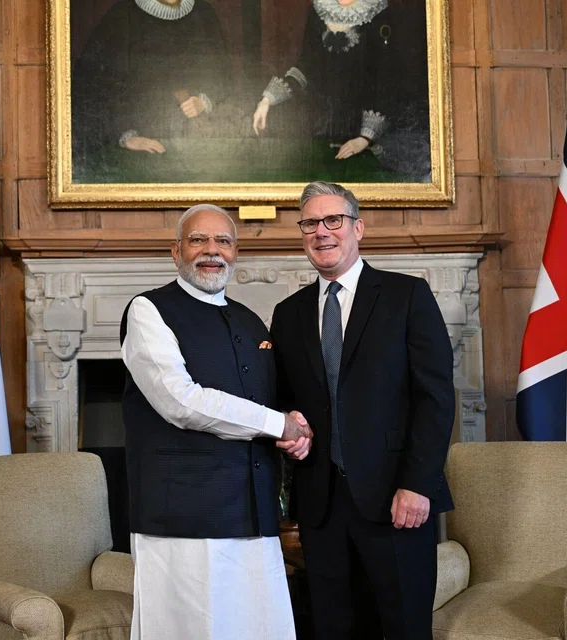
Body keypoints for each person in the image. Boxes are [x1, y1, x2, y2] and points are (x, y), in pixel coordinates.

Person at [270, 181, 455, 639]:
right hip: (321, 505)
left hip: (397, 500)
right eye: (310, 223)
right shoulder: (288, 313)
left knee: (403, 628)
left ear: (358, 228)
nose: (322, 232)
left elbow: (436, 398)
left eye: (333, 220)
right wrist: (290, 428)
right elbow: (288, 399)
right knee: (333, 628)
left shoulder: (406, 296)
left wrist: (417, 484)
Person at [120, 203, 312, 640]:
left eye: (223, 241)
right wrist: (278, 423)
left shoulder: (250, 321)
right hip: (183, 518)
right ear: (175, 251)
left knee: (262, 630)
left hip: (255, 516)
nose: (212, 251)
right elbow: (180, 400)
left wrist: (295, 429)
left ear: (236, 252)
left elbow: (273, 405)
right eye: (198, 240)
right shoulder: (148, 311)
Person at [251, 0, 430, 178]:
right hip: (322, 124)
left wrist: (365, 137)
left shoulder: (379, 14)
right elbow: (305, 67)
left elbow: (386, 78)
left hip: (363, 127)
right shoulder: (319, 10)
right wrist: (268, 100)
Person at [71, 0, 228, 161]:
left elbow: (226, 78)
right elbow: (88, 89)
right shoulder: (122, 15)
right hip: (137, 150)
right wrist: (125, 136)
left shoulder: (203, 12)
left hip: (197, 146)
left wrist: (204, 101)